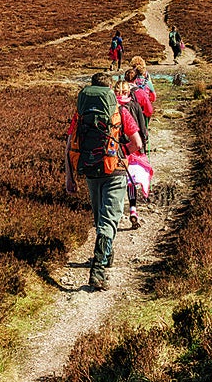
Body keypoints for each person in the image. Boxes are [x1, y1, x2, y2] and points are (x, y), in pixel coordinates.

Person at [65, 73, 143, 291]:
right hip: (115, 170)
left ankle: (107, 255)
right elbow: (137, 143)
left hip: (90, 169)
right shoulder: (121, 112)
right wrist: (122, 153)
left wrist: (69, 177)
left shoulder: (80, 114)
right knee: (109, 220)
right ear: (110, 92)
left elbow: (70, 144)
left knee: (100, 216)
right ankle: (98, 271)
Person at [114, 80, 152, 229]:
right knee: (131, 181)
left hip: (117, 148)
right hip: (133, 148)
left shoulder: (113, 108)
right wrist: (143, 144)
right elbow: (143, 129)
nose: (120, 95)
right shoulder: (135, 106)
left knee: (119, 179)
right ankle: (133, 210)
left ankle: (115, 213)